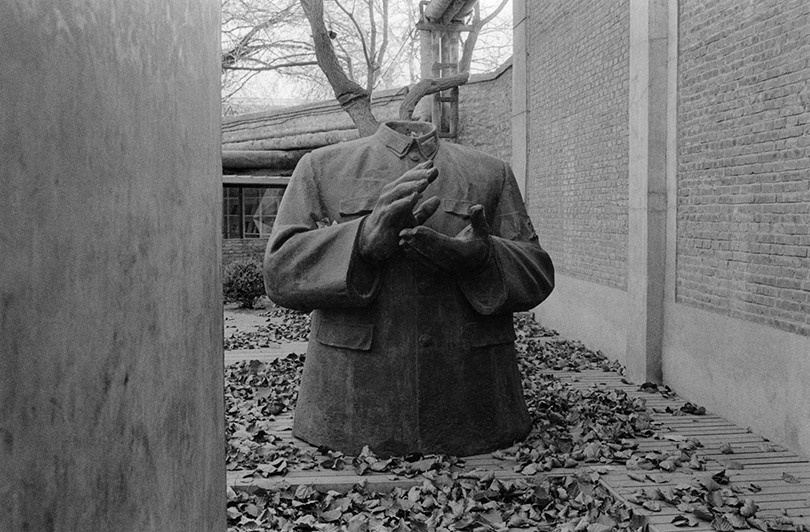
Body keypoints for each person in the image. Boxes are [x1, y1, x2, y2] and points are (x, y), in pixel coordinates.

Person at [264, 120, 554, 456]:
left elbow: (539, 274)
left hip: (475, 411)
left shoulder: (491, 172)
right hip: (350, 413)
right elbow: (278, 272)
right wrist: (360, 241)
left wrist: (482, 257)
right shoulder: (321, 166)